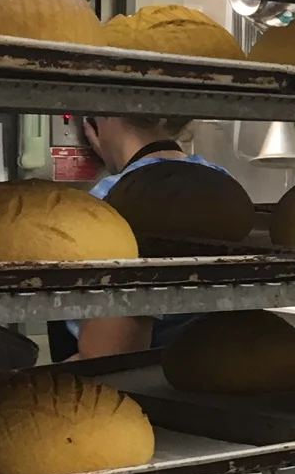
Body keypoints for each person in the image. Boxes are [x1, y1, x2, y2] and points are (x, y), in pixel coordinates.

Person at [55, 113, 232, 361]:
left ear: (101, 117)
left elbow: (111, 358)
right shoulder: (223, 183)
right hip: (214, 370)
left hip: (154, 379)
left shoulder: (114, 203)